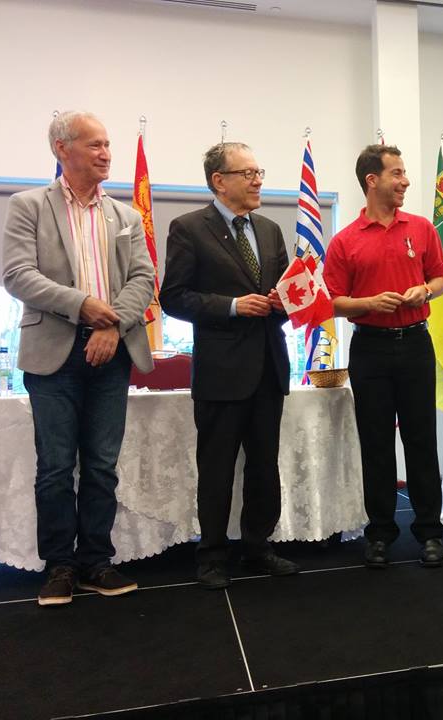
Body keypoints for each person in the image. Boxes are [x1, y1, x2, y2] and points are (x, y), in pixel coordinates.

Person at [2, 111, 155, 605]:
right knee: (54, 467)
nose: (106, 153)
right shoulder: (28, 205)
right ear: (61, 149)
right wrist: (82, 305)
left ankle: (95, 561)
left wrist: (111, 323)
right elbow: (18, 275)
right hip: (53, 354)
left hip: (112, 353)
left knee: (102, 467)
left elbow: (143, 280)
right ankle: (59, 566)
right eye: (94, 144)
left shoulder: (126, 216)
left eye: (107, 144)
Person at [159, 142, 299, 589]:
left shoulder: (272, 230)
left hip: (269, 368)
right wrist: (234, 306)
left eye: (260, 171)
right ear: (219, 180)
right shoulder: (188, 228)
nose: (259, 180)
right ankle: (212, 556)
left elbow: (281, 291)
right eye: (248, 173)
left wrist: (289, 299)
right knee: (217, 468)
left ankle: (258, 546)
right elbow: (174, 297)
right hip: (221, 372)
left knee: (264, 465)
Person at [323, 144, 443, 569]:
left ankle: (430, 532)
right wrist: (369, 303)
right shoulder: (344, 241)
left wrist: (425, 290)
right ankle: (379, 533)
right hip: (370, 348)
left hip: (416, 343)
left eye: (405, 173)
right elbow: (331, 303)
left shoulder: (422, 228)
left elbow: (440, 279)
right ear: (372, 180)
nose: (405, 181)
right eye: (396, 173)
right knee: (375, 442)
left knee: (421, 439)